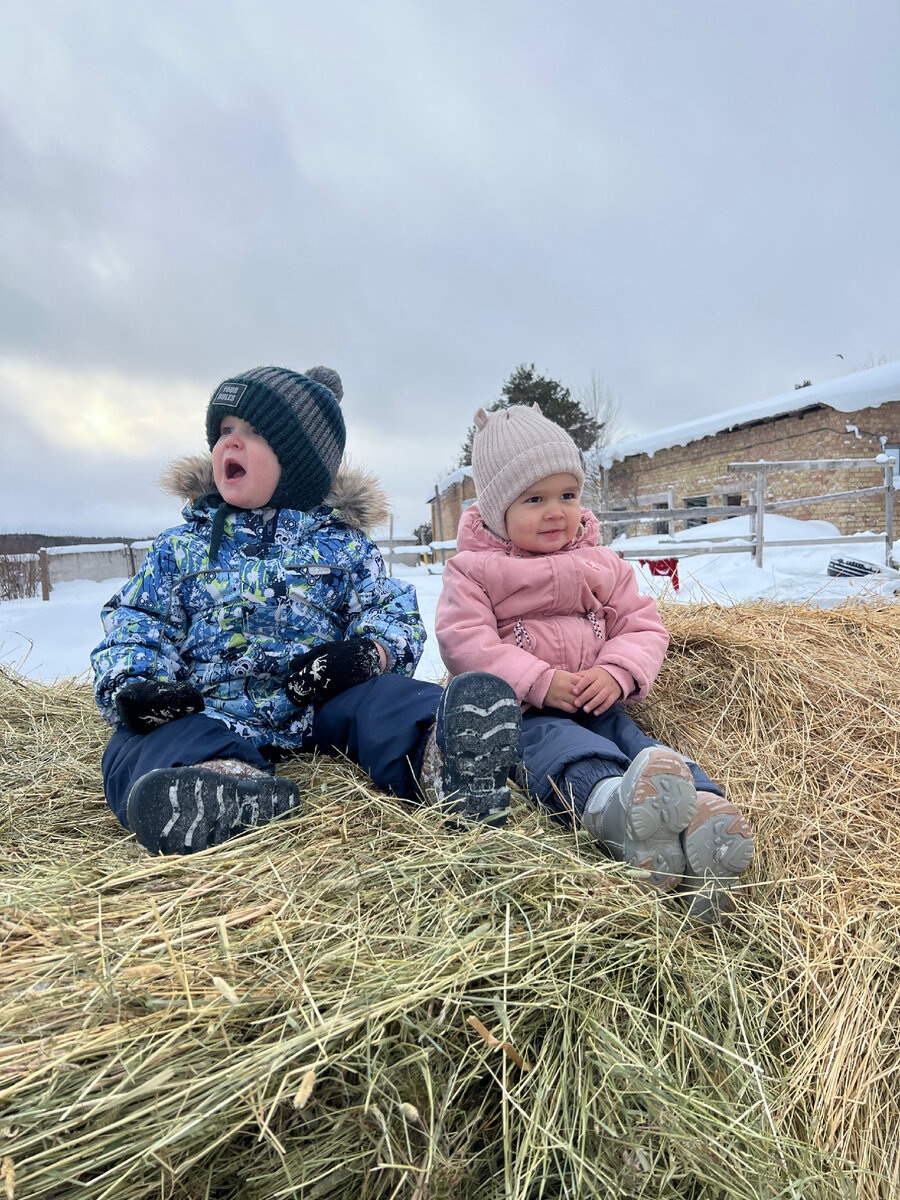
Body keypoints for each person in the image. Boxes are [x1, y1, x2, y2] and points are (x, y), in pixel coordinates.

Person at [91, 366, 521, 855]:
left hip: (316, 703)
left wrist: (366, 655)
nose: (230, 443)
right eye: (224, 431)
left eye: (252, 433)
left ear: (299, 463)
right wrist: (137, 686)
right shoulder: (180, 548)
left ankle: (447, 760)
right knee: (134, 741)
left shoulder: (341, 546)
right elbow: (134, 622)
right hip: (208, 708)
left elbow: (390, 610)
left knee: (389, 701)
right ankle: (220, 788)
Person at [434, 404, 753, 920]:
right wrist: (536, 680)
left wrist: (616, 671)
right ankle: (612, 809)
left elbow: (641, 625)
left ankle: (702, 816)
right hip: (527, 713)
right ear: (496, 510)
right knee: (567, 752)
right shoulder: (473, 571)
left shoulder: (603, 563)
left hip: (598, 700)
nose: (557, 511)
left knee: (641, 748)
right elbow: (463, 642)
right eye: (534, 499)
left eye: (568, 495)